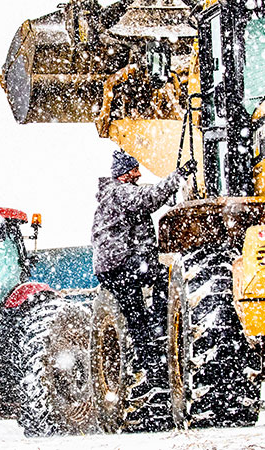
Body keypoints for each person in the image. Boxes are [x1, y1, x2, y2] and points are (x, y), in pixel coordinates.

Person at [91, 149, 196, 419]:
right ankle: (157, 333)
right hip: (122, 265)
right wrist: (179, 176)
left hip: (117, 266)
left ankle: (150, 364)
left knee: (137, 319)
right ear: (123, 173)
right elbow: (147, 198)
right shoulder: (117, 191)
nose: (138, 174)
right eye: (134, 170)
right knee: (161, 279)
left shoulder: (114, 194)